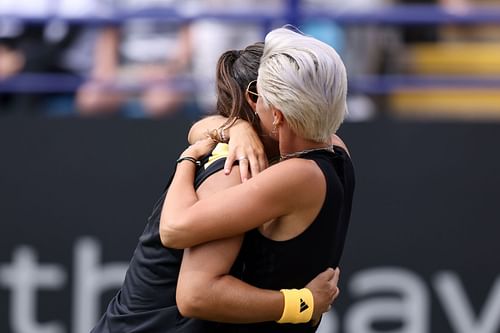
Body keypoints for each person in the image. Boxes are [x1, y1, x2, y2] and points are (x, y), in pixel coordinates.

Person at [90, 40, 340, 333]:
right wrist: (303, 304)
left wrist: (234, 127)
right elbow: (191, 282)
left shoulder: (305, 156)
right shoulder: (235, 169)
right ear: (256, 101)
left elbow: (199, 128)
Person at [160, 26, 355, 333]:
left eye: (259, 98)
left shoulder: (295, 176)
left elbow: (174, 231)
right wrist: (237, 128)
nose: (253, 104)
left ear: (276, 115)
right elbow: (208, 124)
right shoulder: (336, 148)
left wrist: (188, 159)